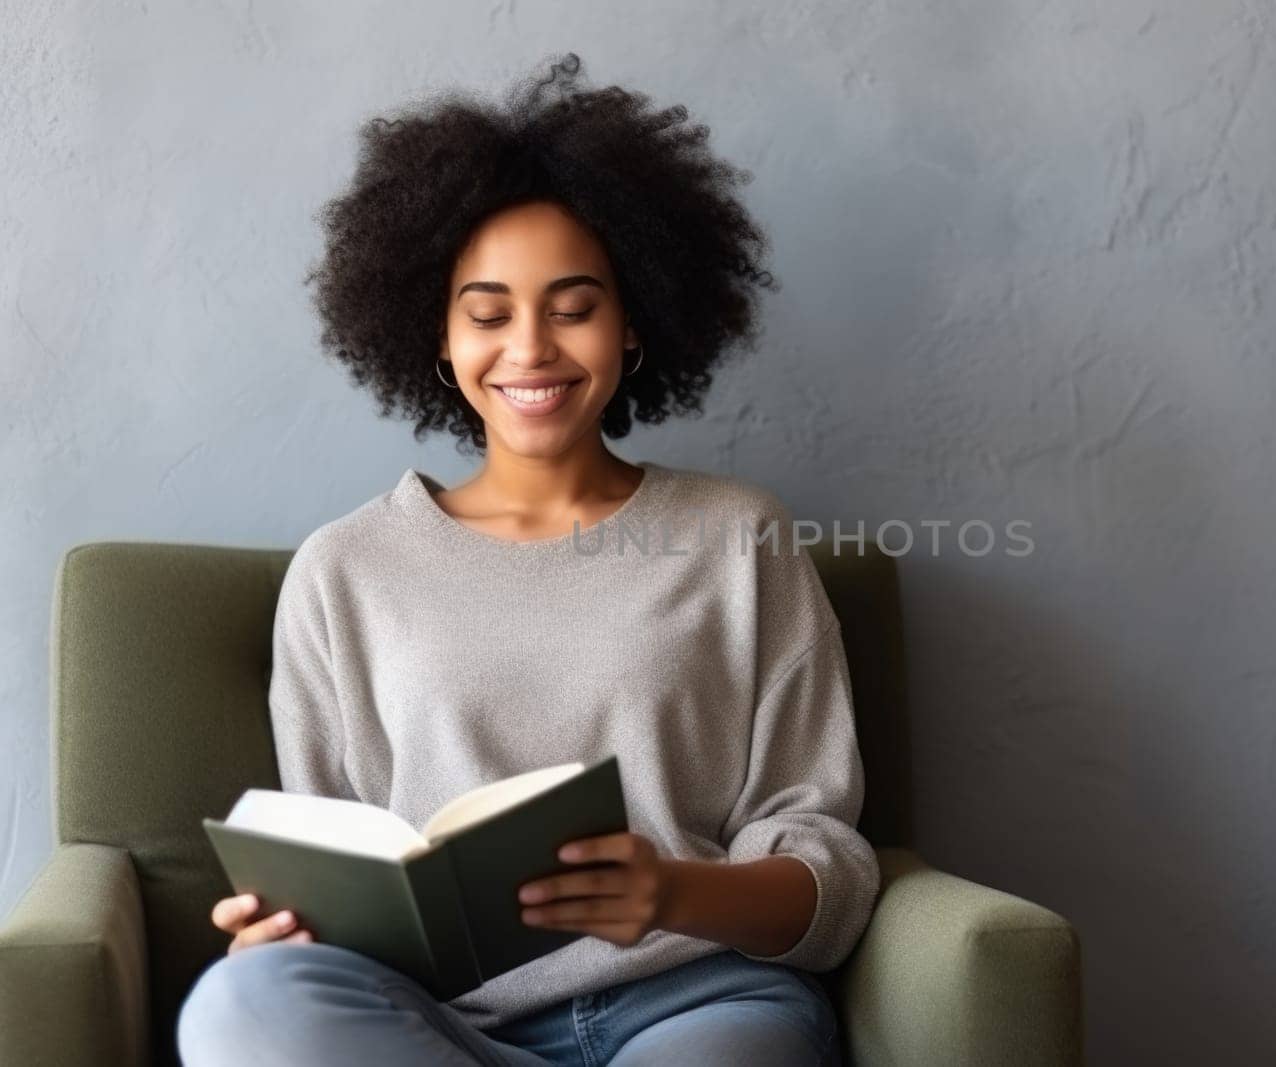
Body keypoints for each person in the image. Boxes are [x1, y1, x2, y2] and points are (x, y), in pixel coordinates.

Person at [177, 53, 878, 1066]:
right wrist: (276, 930)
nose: (531, 348)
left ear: (634, 323)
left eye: (573, 305)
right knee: (239, 1005)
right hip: (433, 1027)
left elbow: (825, 861)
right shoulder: (345, 569)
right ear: (439, 337)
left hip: (694, 1005)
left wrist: (671, 890)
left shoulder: (738, 537)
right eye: (489, 311)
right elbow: (328, 859)